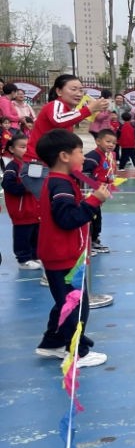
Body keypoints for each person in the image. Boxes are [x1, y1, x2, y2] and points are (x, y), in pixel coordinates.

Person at [34, 128, 112, 367]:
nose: (83, 157)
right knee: (76, 306)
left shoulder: (62, 181)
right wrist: (94, 201)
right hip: (63, 256)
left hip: (62, 254)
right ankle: (77, 352)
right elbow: (67, 219)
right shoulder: (61, 185)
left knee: (65, 302)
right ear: (64, 156)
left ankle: (52, 342)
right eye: (79, 152)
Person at [22, 75, 109, 196]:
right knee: (48, 206)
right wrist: (88, 109)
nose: (79, 93)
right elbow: (58, 119)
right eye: (73, 89)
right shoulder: (56, 105)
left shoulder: (69, 113)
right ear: (59, 91)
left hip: (50, 167)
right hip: (39, 165)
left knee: (56, 206)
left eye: (81, 90)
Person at [2, 132, 41, 268]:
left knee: (36, 234)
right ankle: (23, 259)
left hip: (35, 210)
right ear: (12, 149)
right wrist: (27, 186)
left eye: (29, 147)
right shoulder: (12, 167)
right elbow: (8, 185)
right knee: (23, 235)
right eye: (22, 147)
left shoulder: (34, 165)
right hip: (21, 211)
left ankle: (35, 256)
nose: (26, 150)